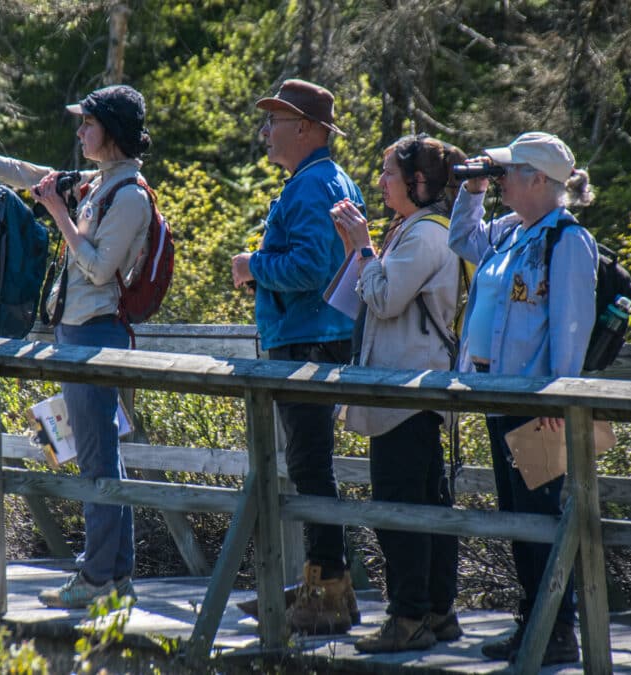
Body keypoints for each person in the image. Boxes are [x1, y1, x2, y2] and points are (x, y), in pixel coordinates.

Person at [0, 85, 152, 609]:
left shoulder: (130, 196)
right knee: (100, 456)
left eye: (88, 124)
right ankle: (114, 574)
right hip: (76, 332)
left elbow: (98, 269)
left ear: (111, 131)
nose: (80, 132)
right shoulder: (97, 183)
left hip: (97, 334)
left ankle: (98, 578)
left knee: (97, 460)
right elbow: (17, 171)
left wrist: (57, 211)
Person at [447, 131, 597, 665]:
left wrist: (559, 401)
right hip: (498, 397)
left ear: (537, 180)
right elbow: (461, 239)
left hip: (539, 407)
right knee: (517, 517)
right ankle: (533, 622)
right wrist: (472, 189)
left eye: (509, 171)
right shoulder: (512, 231)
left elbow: (571, 328)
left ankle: (557, 630)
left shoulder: (567, 241)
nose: (501, 179)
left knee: (540, 519)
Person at [230, 78, 364, 635]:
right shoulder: (324, 179)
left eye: (274, 121)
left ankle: (326, 588)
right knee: (312, 466)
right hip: (315, 337)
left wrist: (253, 266)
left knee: (310, 467)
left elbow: (310, 268)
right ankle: (328, 585)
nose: (265, 132)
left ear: (305, 128)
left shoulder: (311, 185)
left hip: (308, 341)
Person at [329, 134, 465, 653]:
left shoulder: (424, 235)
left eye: (389, 172)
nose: (381, 181)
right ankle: (437, 612)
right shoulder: (414, 230)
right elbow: (372, 295)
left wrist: (364, 247)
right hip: (408, 392)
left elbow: (384, 300)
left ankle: (408, 618)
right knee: (426, 505)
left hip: (406, 394)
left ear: (418, 181)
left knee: (400, 509)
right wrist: (360, 249)